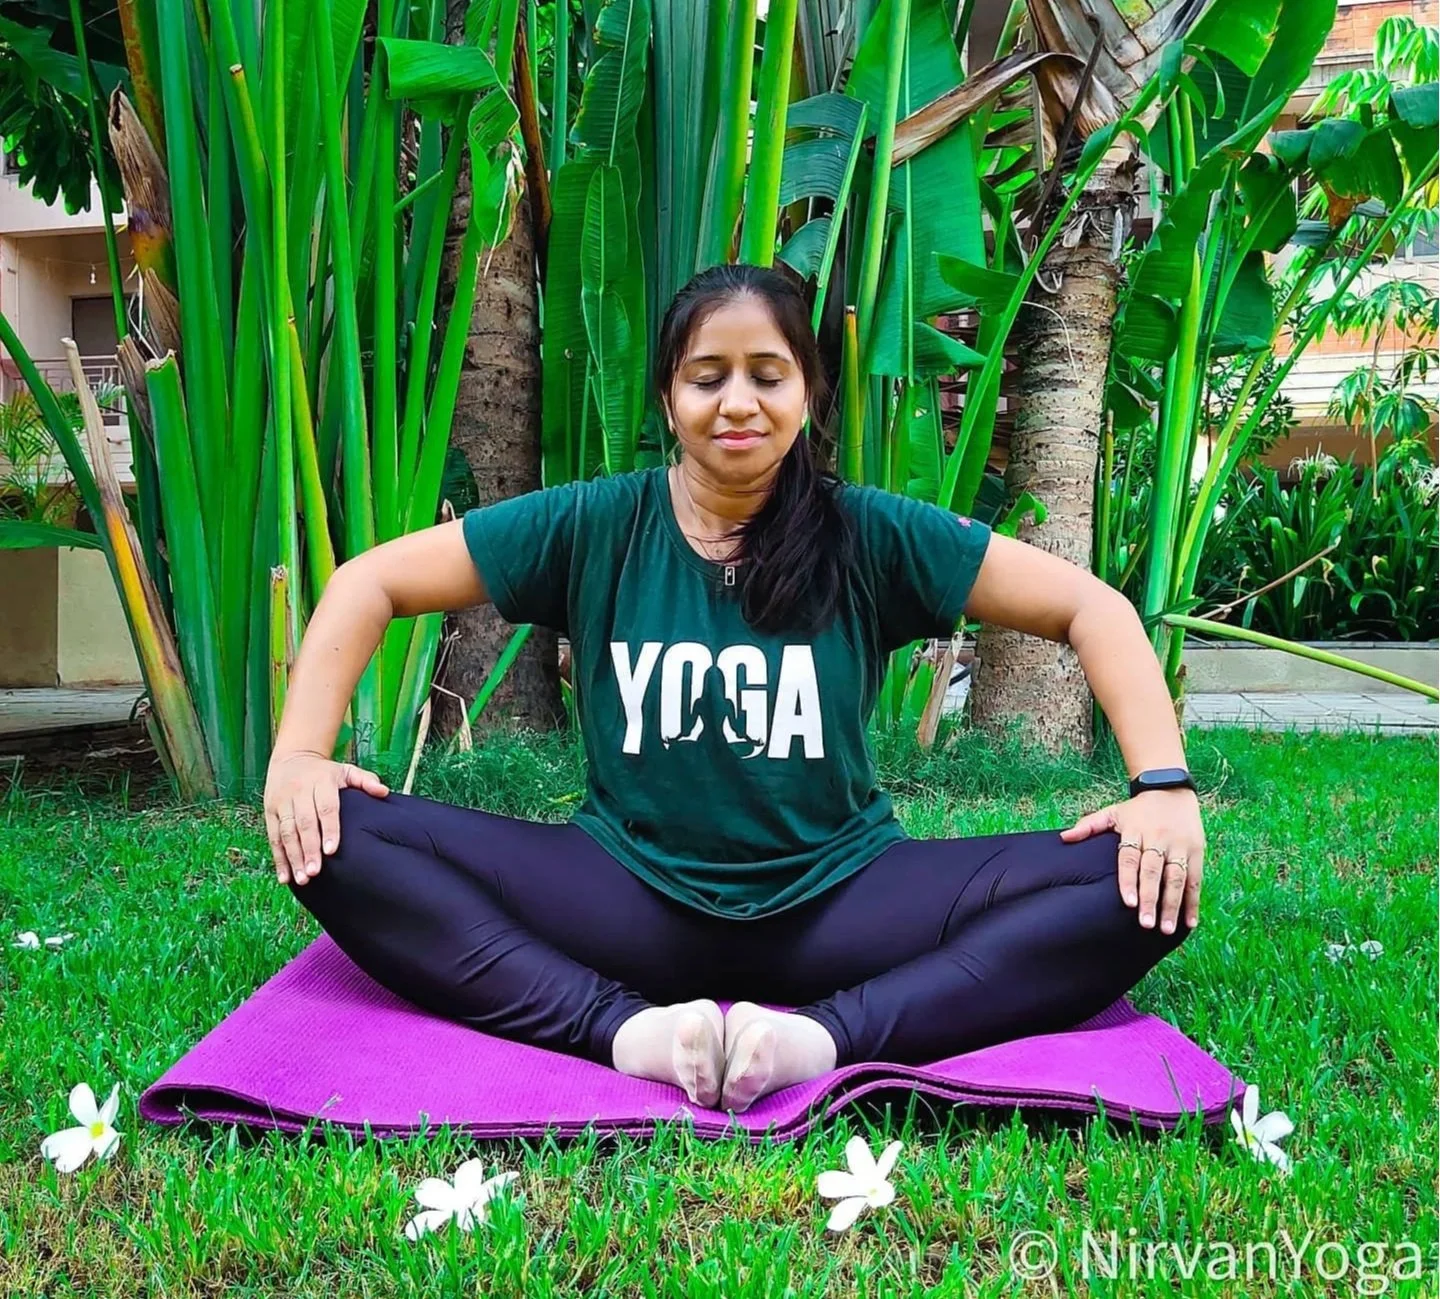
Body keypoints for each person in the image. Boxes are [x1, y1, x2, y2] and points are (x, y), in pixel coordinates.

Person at [263, 263, 1205, 1115]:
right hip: (621, 898)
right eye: (707, 377)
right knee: (328, 835)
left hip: (842, 901)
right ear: (669, 397)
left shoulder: (868, 533)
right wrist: (301, 756)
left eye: (768, 373)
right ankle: (620, 1032)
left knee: (1139, 884)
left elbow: (1095, 610)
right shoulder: (598, 522)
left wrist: (1163, 789)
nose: (737, 402)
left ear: (807, 389)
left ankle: (826, 1038)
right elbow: (366, 584)